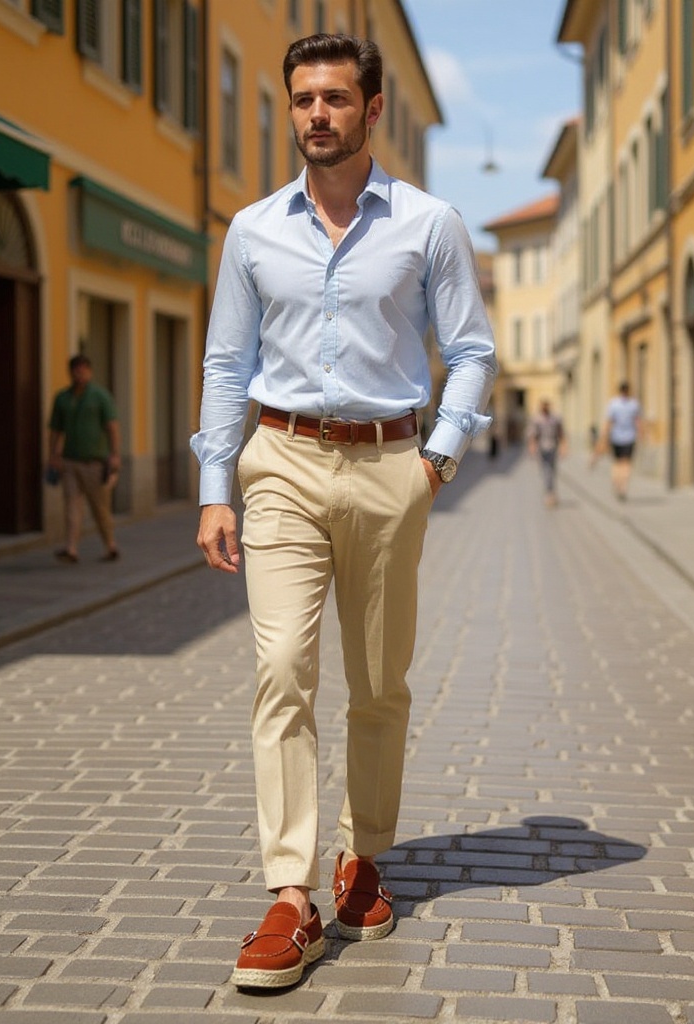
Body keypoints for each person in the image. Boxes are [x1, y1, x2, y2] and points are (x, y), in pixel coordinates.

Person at [191, 33, 497, 990]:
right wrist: (215, 486)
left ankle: (364, 854)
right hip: (277, 458)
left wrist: (438, 457)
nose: (315, 114)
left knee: (377, 681)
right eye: (301, 100)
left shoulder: (430, 224)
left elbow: (472, 348)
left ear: (370, 109)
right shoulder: (252, 230)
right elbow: (226, 366)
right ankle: (290, 892)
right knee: (282, 665)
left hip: (387, 465)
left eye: (334, 98)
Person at [47, 354, 121, 562]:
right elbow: (55, 430)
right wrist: (52, 455)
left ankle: (110, 545)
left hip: (95, 463)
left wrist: (115, 455)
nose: (80, 373)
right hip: (70, 461)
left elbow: (112, 428)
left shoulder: (100, 396)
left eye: (83, 369)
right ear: (70, 372)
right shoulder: (62, 398)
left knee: (100, 508)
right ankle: (71, 549)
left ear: (90, 371)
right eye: (76, 369)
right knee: (71, 505)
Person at [596, 380, 642, 501]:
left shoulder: (613, 404)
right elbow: (637, 421)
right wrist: (641, 435)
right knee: (626, 463)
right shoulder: (634, 404)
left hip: (616, 438)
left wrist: (603, 437)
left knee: (617, 463)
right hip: (629, 438)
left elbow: (609, 422)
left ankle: (617, 483)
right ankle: (623, 487)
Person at [526, 398, 565, 507]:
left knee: (552, 470)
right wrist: (532, 447)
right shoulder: (537, 419)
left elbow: (561, 433)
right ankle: (549, 493)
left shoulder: (555, 419)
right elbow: (532, 435)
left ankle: (551, 493)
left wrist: (563, 446)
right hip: (542, 448)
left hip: (552, 447)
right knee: (546, 470)